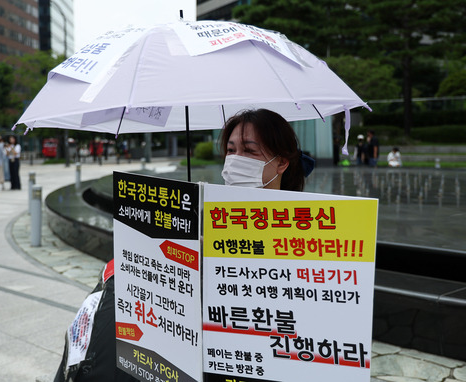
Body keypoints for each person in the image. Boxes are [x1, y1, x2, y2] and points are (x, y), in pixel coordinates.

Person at [53, 109, 314, 382]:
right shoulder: (208, 221)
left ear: (281, 162)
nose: (236, 161)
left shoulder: (306, 235)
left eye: (249, 151)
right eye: (231, 150)